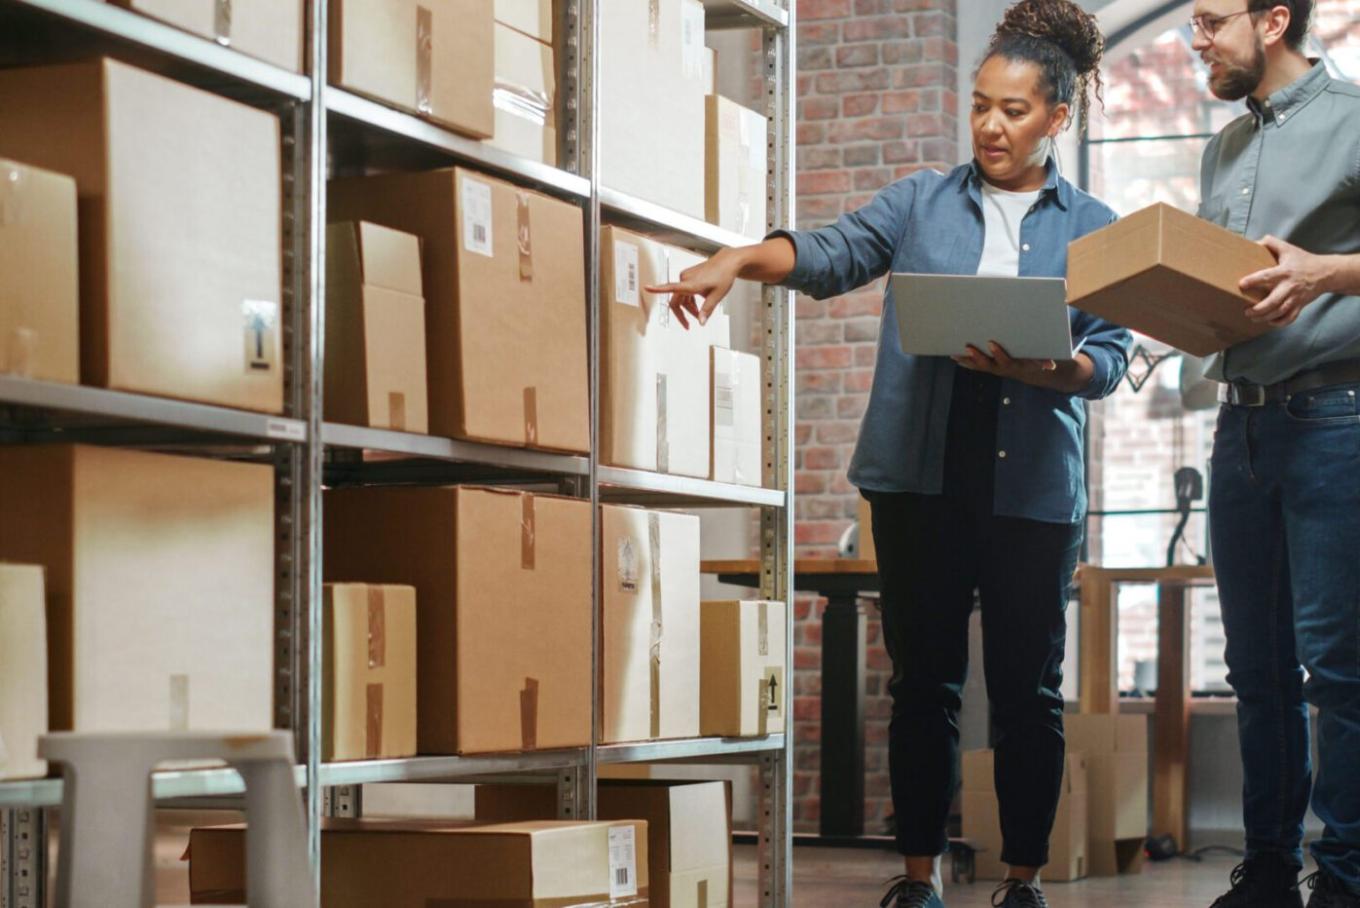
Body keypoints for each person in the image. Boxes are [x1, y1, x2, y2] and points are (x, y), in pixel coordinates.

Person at [648, 2, 1131, 905]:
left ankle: (1022, 879)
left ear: (1057, 118)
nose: (990, 124)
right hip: (921, 480)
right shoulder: (920, 201)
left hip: (1030, 488)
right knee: (924, 685)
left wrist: (1057, 365)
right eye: (981, 105)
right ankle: (918, 878)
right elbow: (832, 253)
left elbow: (1110, 358)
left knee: (1028, 692)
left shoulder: (1095, 223)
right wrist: (741, 259)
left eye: (1014, 110)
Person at [1186, 2, 1360, 907]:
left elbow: (1311, 275)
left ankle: (1344, 880)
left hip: (1335, 423)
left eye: (1213, 20)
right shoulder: (1223, 149)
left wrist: (1324, 272)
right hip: (1239, 427)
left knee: (1339, 671)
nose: (1197, 39)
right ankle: (1265, 871)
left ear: (1275, 19)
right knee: (1256, 670)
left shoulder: (1354, 120)